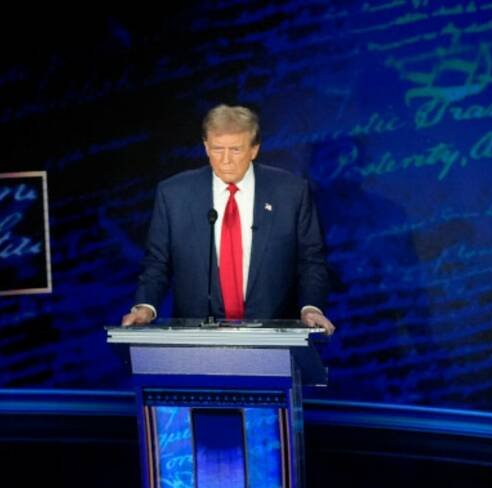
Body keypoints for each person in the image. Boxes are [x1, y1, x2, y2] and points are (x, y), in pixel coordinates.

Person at [122, 104, 335, 332]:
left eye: (235, 150)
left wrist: (311, 308)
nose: (225, 160)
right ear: (205, 147)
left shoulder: (291, 192)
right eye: (217, 149)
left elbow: (311, 260)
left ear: (254, 150)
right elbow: (157, 262)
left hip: (273, 334)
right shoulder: (174, 194)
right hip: (196, 337)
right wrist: (145, 306)